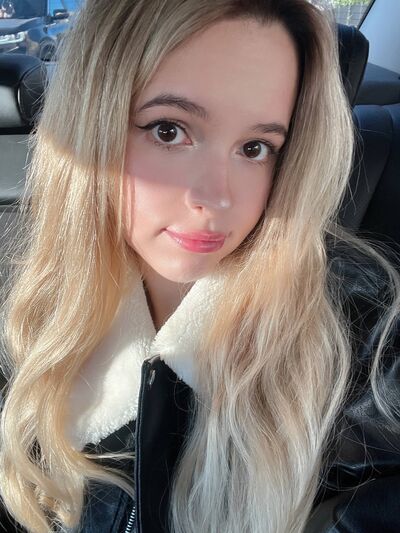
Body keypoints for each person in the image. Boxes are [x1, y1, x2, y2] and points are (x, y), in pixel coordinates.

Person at [0, 0, 399, 532]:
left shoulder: (365, 337)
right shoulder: (26, 317)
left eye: (255, 147)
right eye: (168, 131)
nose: (216, 198)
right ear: (90, 127)